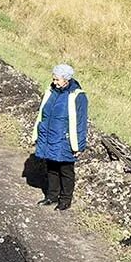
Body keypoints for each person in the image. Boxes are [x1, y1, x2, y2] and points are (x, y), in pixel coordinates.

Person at [31, 63, 89, 211]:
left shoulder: (78, 96)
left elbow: (81, 122)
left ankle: (65, 200)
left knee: (66, 171)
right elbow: (42, 115)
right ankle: (51, 196)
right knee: (51, 168)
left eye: (57, 79)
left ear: (66, 80)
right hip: (50, 137)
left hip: (65, 141)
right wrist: (38, 134)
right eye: (54, 79)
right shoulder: (51, 91)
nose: (54, 82)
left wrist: (78, 146)